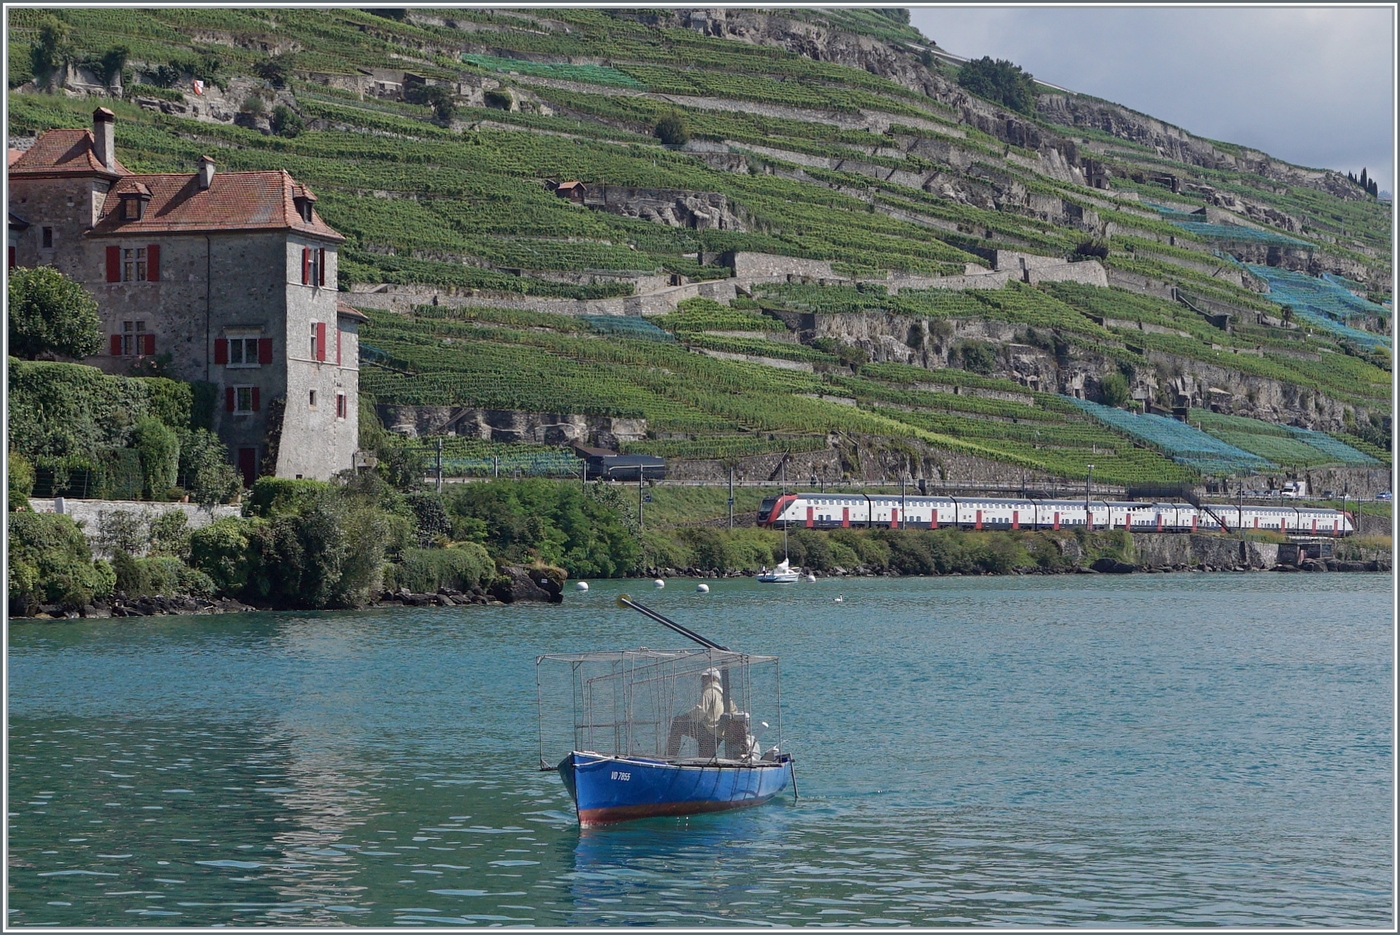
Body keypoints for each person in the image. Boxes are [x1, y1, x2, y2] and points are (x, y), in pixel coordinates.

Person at [666, 667, 724, 758]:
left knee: (677, 724)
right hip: (718, 733)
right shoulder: (723, 693)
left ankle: (670, 757)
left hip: (708, 730)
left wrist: (685, 717)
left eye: (704, 677)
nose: (702, 680)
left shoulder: (709, 691)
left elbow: (700, 711)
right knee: (705, 760)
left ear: (712, 678)